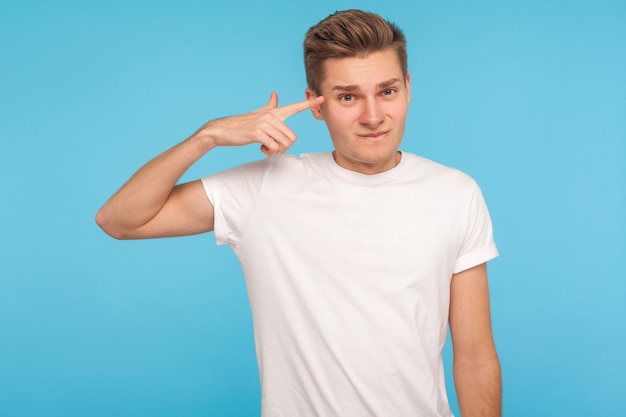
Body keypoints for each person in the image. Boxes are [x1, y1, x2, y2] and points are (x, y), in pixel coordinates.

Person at [96, 9, 501, 417]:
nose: (373, 116)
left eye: (387, 91)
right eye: (348, 97)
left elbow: (475, 355)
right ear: (315, 104)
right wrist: (207, 137)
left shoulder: (455, 193)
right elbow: (119, 220)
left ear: (408, 88)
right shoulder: (264, 187)